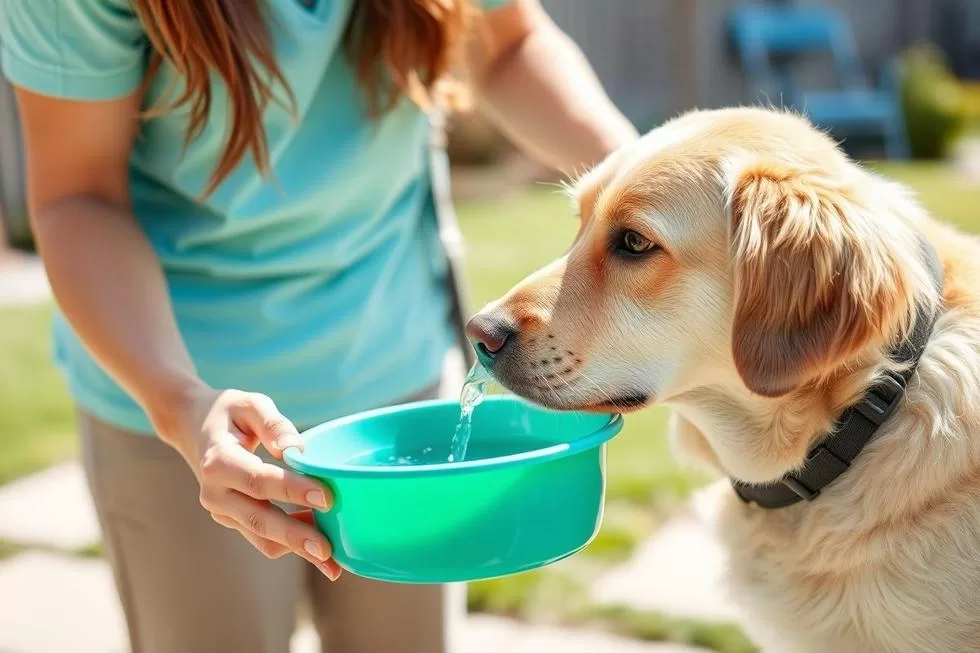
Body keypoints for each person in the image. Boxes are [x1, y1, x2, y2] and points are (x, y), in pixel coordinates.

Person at [0, 1, 636, 651]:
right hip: (189, 409)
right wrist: (178, 399)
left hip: (398, 367)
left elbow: (505, 44)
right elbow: (80, 195)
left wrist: (650, 181)